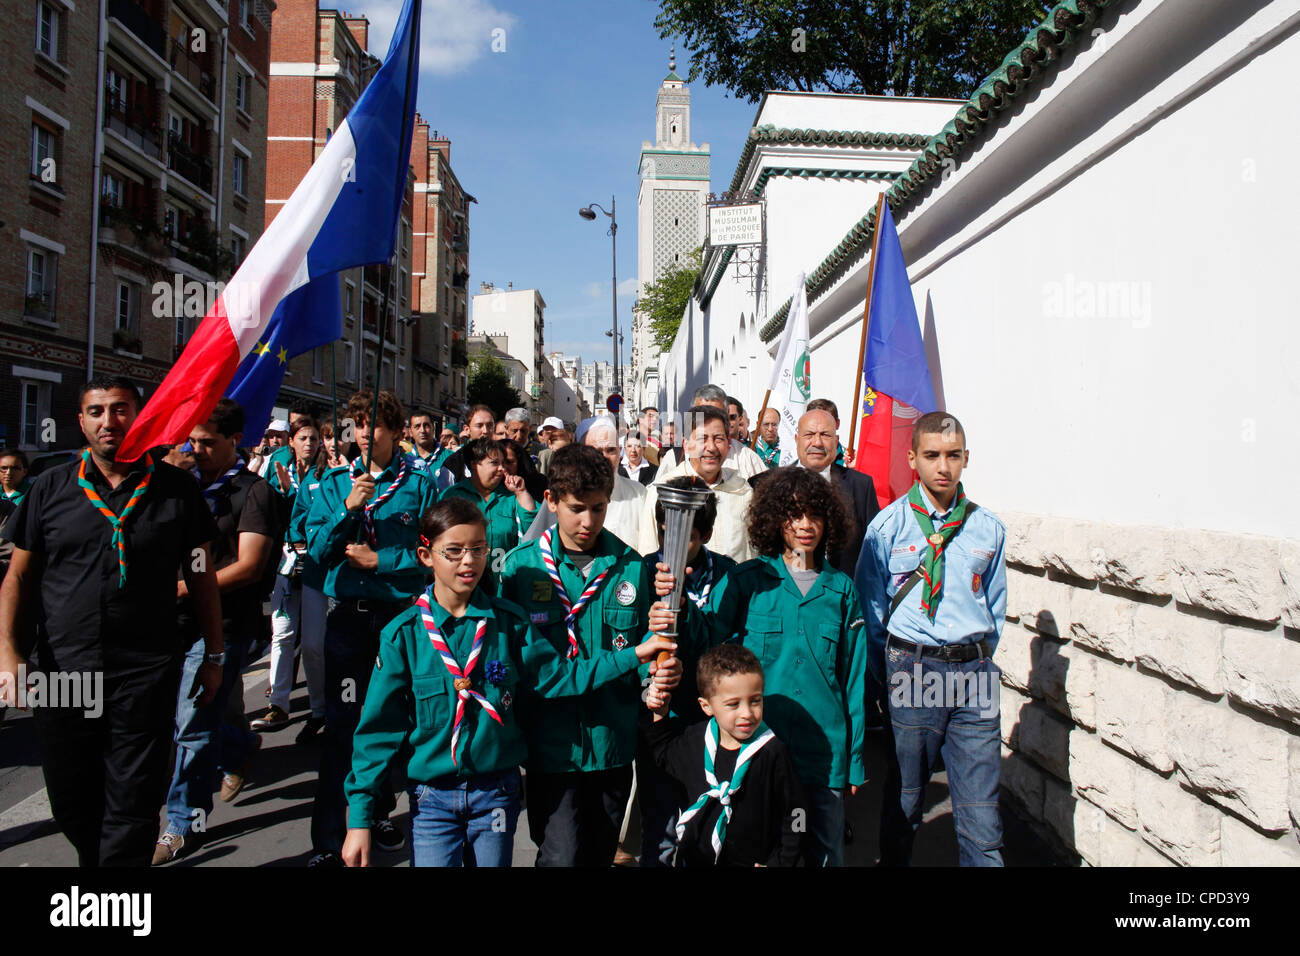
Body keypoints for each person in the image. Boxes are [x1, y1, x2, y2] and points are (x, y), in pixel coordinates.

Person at [341, 497, 676, 867]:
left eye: (478, 549)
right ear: (425, 555)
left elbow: (560, 677)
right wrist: (360, 819)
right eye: (453, 551)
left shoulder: (510, 624)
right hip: (432, 797)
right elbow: (378, 732)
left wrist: (636, 654)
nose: (468, 561)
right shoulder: (403, 636)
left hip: (494, 795)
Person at [0, 377, 223, 867]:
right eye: (97, 412)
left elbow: (201, 573)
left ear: (139, 417)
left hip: (143, 671)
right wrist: (9, 654)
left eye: (120, 410)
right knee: (72, 798)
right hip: (65, 672)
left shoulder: (176, 490)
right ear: (80, 422)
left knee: (133, 800)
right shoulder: (50, 488)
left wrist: (214, 653)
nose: (109, 421)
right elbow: (17, 576)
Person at [496, 444, 682, 866]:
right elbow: (534, 671)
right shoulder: (521, 570)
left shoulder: (631, 567)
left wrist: (659, 677)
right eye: (576, 508)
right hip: (551, 746)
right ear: (551, 500)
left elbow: (648, 655)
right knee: (560, 854)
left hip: (611, 741)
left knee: (600, 853)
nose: (588, 521)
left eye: (598, 508)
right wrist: (637, 655)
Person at [678, 466, 867, 866]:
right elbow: (706, 638)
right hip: (759, 751)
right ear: (774, 520)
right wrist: (677, 603)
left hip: (822, 755)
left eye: (815, 514)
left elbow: (853, 681)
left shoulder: (842, 590)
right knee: (761, 850)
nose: (805, 526)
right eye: (793, 514)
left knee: (824, 850)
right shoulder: (749, 581)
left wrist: (854, 759)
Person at [855, 412, 1007, 867]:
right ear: (913, 459)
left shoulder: (988, 529)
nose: (943, 466)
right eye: (932, 455)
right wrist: (890, 676)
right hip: (913, 671)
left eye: (953, 456)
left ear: (966, 459)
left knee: (983, 818)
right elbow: (872, 612)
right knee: (906, 799)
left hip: (974, 675)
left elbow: (994, 610)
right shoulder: (886, 529)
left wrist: (973, 657)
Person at [304, 389, 440, 866]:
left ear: (396, 431)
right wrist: (347, 508)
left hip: (399, 620)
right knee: (345, 725)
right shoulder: (331, 483)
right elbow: (316, 554)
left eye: (375, 424)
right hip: (349, 622)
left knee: (395, 724)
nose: (364, 433)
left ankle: (379, 810)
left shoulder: (420, 485)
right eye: (358, 424)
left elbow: (433, 556)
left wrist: (382, 559)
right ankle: (327, 837)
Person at [155, 398, 279, 864]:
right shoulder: (178, 487)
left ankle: (183, 823)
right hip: (173, 622)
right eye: (193, 441)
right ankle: (242, 744)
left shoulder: (254, 492)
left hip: (226, 624)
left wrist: (185, 589)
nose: (198, 449)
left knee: (191, 719)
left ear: (235, 441)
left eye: (209, 442)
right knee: (190, 712)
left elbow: (248, 566)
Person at [635, 475, 737, 866]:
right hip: (659, 716)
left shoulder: (728, 574)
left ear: (706, 533)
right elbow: (630, 642)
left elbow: (718, 641)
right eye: (667, 533)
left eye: (688, 537)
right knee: (659, 828)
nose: (676, 546)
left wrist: (681, 603)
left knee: (704, 823)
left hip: (706, 720)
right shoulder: (642, 570)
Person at [643, 644, 805, 866]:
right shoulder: (695, 741)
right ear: (706, 706)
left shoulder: (772, 752)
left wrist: (782, 862)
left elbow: (797, 812)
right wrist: (659, 712)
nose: (747, 713)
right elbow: (662, 753)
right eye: (733, 704)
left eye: (755, 700)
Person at [252, 417, 323, 732]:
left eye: (313, 438)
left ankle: (319, 708)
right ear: (292, 442)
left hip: (317, 561)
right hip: (287, 557)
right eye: (303, 438)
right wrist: (282, 494)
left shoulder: (328, 472)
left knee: (312, 642)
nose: (308, 444)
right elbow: (265, 514)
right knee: (281, 633)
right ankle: (278, 704)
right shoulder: (278, 469)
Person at [754, 407, 878, 578]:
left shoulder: (861, 485)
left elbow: (872, 550)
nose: (817, 443)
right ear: (797, 439)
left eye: (825, 435)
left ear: (836, 441)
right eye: (809, 435)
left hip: (843, 595)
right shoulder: (770, 484)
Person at [639, 406, 754, 564]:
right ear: (686, 445)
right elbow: (648, 556)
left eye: (718, 438)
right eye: (702, 439)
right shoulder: (662, 492)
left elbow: (753, 555)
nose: (711, 447)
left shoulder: (743, 492)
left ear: (728, 444)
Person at [439, 437, 538, 570]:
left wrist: (522, 493)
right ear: (474, 464)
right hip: (465, 578)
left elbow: (533, 529)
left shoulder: (512, 496)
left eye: (503, 463)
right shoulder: (452, 496)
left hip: (504, 581)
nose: (502, 468)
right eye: (494, 463)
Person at [654, 385, 766, 481]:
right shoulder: (674, 458)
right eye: (703, 413)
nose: (710, 420)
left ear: (726, 415)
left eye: (717, 414)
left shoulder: (746, 458)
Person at [436, 405, 495, 491]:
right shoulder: (453, 464)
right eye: (479, 426)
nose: (485, 431)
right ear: (467, 429)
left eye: (490, 425)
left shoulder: (505, 459)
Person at [500, 436, 547, 503]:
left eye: (509, 462)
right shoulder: (488, 489)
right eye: (496, 462)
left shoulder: (539, 485)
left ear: (519, 462)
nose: (503, 468)